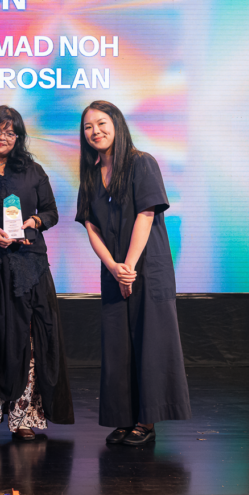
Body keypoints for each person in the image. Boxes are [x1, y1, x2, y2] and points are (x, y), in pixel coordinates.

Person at [0, 105, 74, 441]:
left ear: (18, 138)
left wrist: (34, 221)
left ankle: (23, 419)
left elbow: (51, 212)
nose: (3, 137)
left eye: (11, 132)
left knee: (29, 342)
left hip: (28, 268)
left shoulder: (33, 171)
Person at [75, 100, 192, 446]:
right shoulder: (91, 173)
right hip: (114, 270)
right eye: (88, 127)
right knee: (117, 346)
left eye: (101, 123)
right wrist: (113, 267)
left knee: (150, 341)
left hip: (148, 267)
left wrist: (128, 266)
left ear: (117, 124)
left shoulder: (142, 162)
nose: (95, 131)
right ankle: (123, 418)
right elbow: (91, 226)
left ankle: (146, 420)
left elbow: (146, 214)